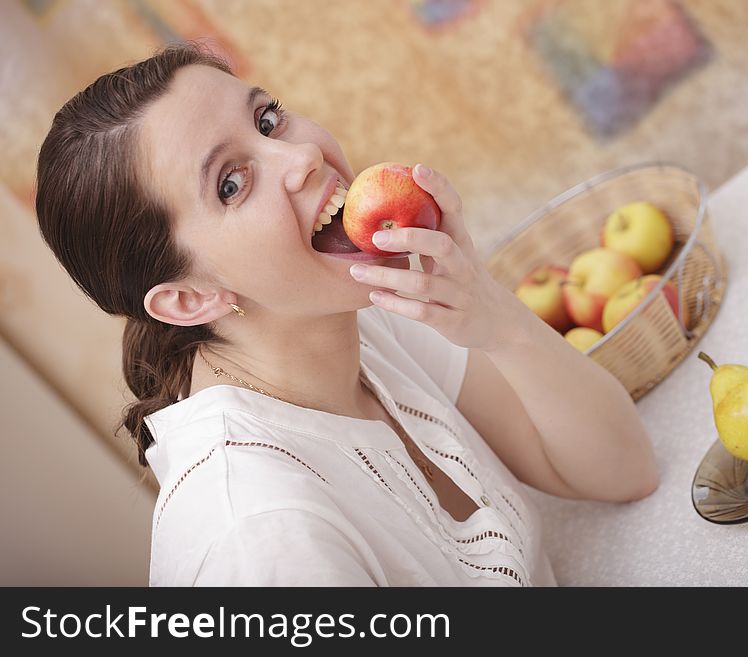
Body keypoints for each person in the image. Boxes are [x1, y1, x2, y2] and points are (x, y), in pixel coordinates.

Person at [34, 42, 659, 586]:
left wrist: (495, 320)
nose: (302, 156)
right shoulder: (260, 540)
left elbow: (621, 470)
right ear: (189, 299)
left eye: (268, 120)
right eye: (231, 182)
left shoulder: (355, 311)